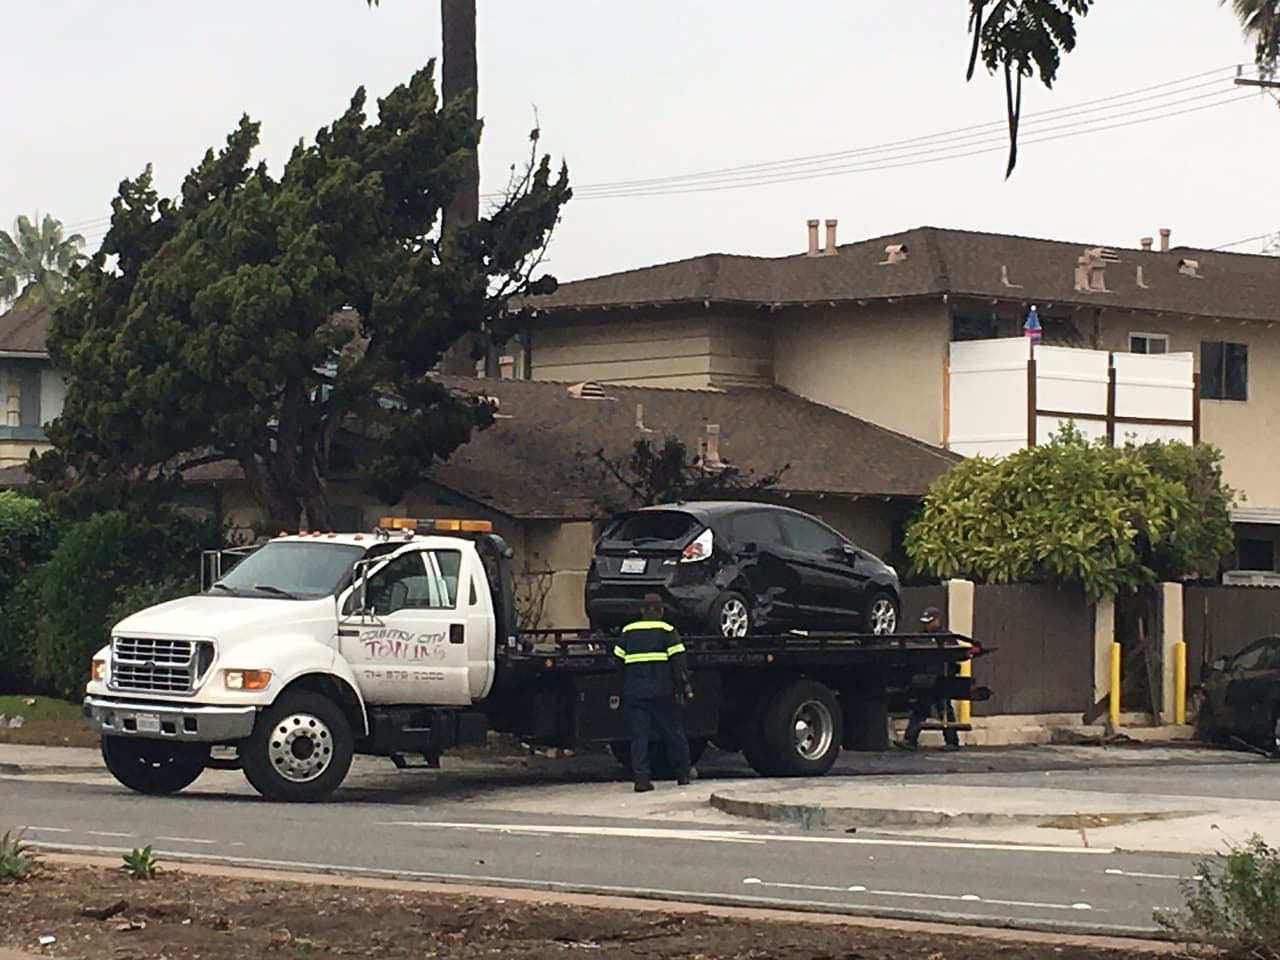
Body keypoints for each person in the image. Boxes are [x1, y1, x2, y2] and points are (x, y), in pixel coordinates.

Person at [613, 594, 694, 792]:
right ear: (661, 611)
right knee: (673, 733)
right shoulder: (667, 631)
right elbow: (679, 664)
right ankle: (683, 774)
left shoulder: (628, 631)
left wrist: (618, 689)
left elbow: (617, 663)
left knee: (639, 737)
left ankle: (641, 780)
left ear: (642, 611)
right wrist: (685, 686)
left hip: (635, 692)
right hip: (663, 692)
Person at [897, 607, 962, 752]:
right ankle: (910, 740)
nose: (926, 625)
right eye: (925, 623)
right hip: (925, 679)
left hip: (941, 679)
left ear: (937, 620)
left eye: (929, 622)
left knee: (944, 709)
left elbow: (956, 656)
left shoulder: (946, 636)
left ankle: (952, 741)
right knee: (920, 709)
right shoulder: (920, 636)